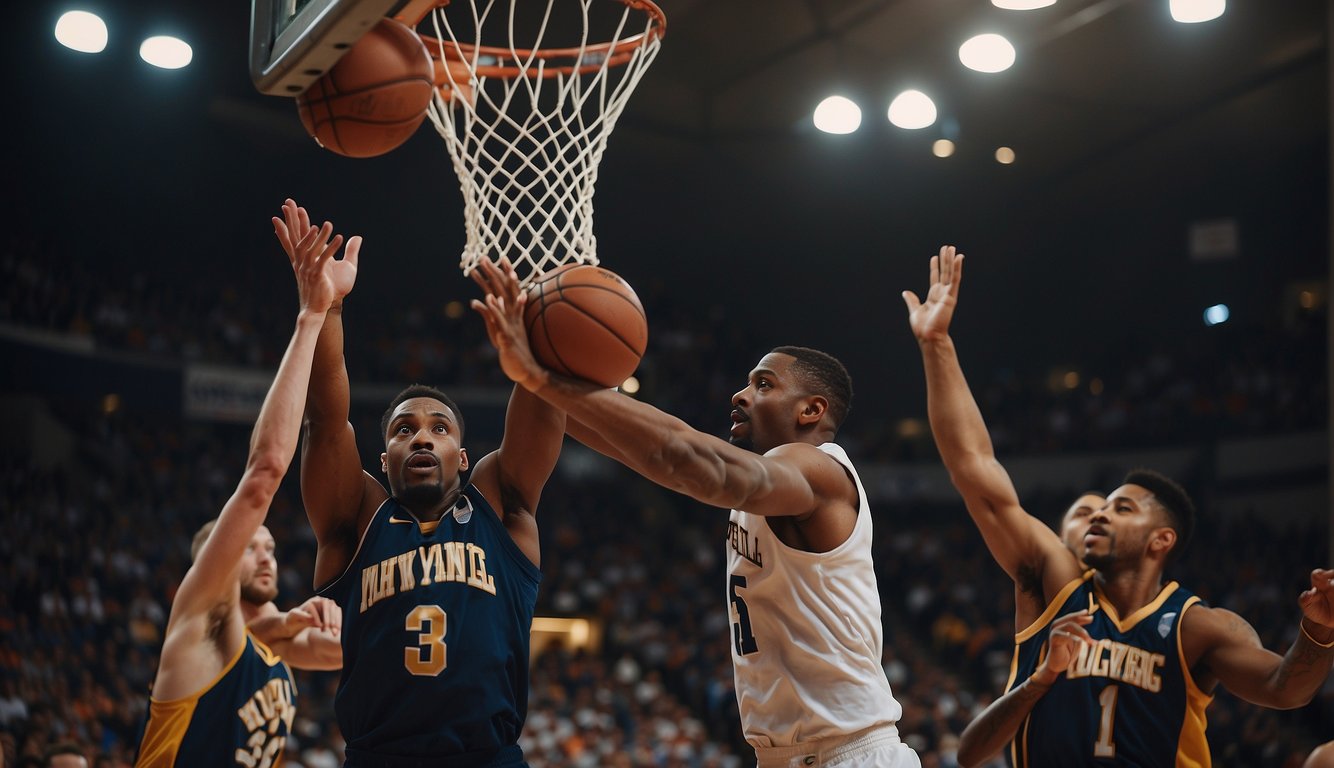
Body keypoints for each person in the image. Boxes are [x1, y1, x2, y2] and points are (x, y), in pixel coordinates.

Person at [470, 260, 919, 768]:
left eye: (764, 384)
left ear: (811, 411)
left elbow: (684, 457)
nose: (741, 393)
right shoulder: (774, 479)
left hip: (850, 755)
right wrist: (536, 365)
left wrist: (542, 376)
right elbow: (612, 436)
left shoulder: (819, 471)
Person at [903, 244, 1334, 767]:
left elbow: (1285, 689)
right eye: (1098, 507)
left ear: (1162, 539)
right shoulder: (1058, 582)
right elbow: (974, 468)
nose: (1102, 513)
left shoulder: (1201, 627)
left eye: (1122, 508)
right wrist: (937, 344)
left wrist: (1318, 632)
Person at [285, 201, 567, 767]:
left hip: (487, 757)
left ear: (462, 457)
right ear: (383, 458)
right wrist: (329, 308)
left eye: (438, 429)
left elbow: (544, 396)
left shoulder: (498, 504)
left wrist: (534, 332)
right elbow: (324, 417)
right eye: (403, 430)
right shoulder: (356, 518)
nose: (420, 438)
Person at [135, 205, 348, 766]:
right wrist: (311, 316)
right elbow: (263, 477)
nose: (264, 553)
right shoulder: (203, 617)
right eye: (249, 545)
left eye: (271, 548)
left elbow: (354, 651)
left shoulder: (278, 641)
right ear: (211, 562)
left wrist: (343, 613)